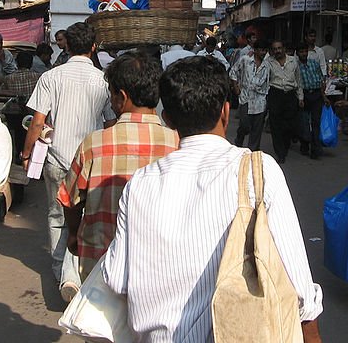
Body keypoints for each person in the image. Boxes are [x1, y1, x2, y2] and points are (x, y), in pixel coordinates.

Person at [102, 56, 324, 341]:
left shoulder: (140, 184)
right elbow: (297, 280)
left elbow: (117, 278)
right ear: (225, 112)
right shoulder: (257, 170)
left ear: (167, 119)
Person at [57, 52, 179, 280]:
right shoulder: (177, 143)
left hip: (100, 266)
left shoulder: (94, 143)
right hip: (159, 267)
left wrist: (74, 234)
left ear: (121, 97)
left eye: (111, 95)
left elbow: (69, 200)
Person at [22, 21, 115, 301]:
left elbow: (37, 123)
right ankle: (76, 273)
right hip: (92, 160)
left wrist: (26, 155)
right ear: (94, 47)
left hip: (57, 160)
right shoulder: (103, 81)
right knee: (86, 216)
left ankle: (63, 272)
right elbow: (110, 122)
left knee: (57, 216)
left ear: (66, 46)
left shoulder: (51, 77)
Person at [266, 39, 304, 164]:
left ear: (284, 49)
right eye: (275, 49)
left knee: (289, 125)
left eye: (279, 48)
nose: (277, 51)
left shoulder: (293, 61)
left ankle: (285, 145)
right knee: (275, 125)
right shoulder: (268, 62)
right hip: (275, 94)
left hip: (290, 95)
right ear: (272, 51)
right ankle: (280, 153)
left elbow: (298, 80)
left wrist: (300, 97)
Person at [229, 38, 270, 151]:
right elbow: (233, 71)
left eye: (265, 51)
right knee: (245, 125)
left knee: (257, 129)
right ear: (255, 50)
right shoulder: (245, 60)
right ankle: (239, 139)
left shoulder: (267, 65)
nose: (263, 53)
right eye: (261, 50)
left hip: (260, 100)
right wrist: (236, 87)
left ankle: (253, 151)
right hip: (245, 98)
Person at [297, 41, 326, 159]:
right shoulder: (296, 66)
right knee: (304, 122)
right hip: (304, 95)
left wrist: (324, 96)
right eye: (301, 52)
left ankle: (315, 149)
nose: (303, 54)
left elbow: (320, 81)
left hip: (316, 94)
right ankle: (304, 143)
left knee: (315, 122)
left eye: (305, 51)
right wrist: (300, 98)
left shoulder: (314, 63)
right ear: (297, 53)